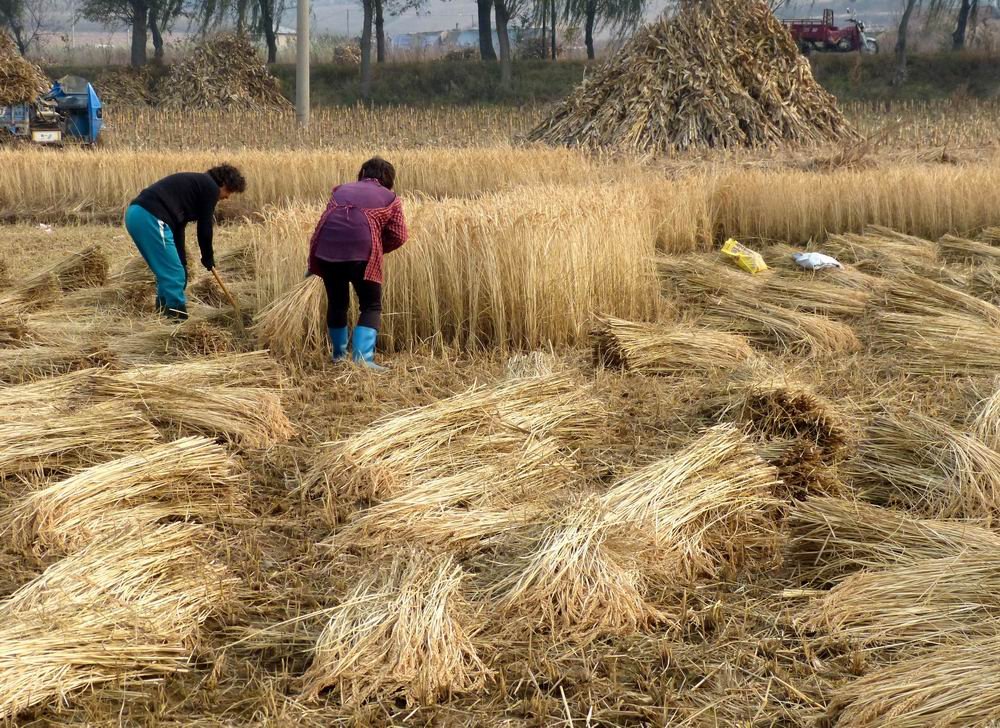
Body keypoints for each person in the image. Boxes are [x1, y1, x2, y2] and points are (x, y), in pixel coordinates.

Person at [307, 157, 409, 371]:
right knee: (371, 305)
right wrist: (377, 247)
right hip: (362, 253)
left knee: (337, 303)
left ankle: (339, 356)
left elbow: (322, 223)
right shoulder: (390, 197)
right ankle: (363, 360)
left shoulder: (340, 190)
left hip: (327, 251)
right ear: (388, 178)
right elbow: (399, 235)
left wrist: (313, 261)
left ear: (362, 173)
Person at [124, 164, 247, 320]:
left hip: (137, 214)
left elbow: (178, 228)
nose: (227, 197)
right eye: (229, 191)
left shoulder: (197, 187)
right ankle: (176, 322)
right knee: (174, 274)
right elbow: (205, 227)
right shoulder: (210, 187)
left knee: (171, 273)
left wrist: (183, 262)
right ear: (223, 183)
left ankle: (162, 317)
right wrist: (208, 257)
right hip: (150, 217)